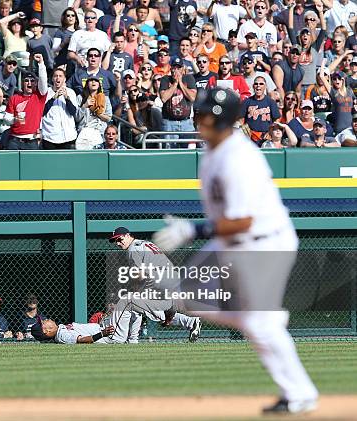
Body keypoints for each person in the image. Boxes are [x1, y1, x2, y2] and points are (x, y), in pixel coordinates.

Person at [154, 87, 319, 415]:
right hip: (232, 242)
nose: (198, 119)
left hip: (264, 242)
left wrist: (194, 229)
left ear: (222, 121)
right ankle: (264, 316)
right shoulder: (212, 152)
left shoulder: (238, 158)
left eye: (205, 115)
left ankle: (300, 393)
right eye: (198, 113)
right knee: (184, 296)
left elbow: (243, 221)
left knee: (259, 325)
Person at [108, 226, 202, 343]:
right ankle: (189, 322)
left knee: (134, 302)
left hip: (158, 278)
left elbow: (139, 275)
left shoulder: (132, 249)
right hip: (172, 276)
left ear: (128, 235)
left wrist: (136, 289)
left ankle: (132, 340)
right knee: (148, 306)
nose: (117, 243)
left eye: (119, 239)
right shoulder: (144, 243)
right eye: (115, 241)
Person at [4, 55, 48, 150]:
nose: (29, 83)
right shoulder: (14, 98)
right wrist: (15, 119)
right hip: (14, 140)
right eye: (26, 81)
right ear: (23, 83)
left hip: (31, 141)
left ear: (36, 83)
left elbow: (43, 81)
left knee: (32, 165)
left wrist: (41, 63)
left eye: (32, 81)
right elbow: (6, 119)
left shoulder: (39, 97)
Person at [159, 57, 197, 148]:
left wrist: (180, 82)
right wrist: (175, 83)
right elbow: (164, 98)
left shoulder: (189, 78)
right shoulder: (165, 79)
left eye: (178, 68)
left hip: (186, 122)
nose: (176, 70)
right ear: (170, 68)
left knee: (189, 151)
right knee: (169, 152)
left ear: (182, 69)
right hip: (169, 122)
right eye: (174, 68)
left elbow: (192, 97)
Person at [41, 67, 78, 149]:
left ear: (64, 79)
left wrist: (66, 98)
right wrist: (54, 98)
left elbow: (73, 112)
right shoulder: (46, 93)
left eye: (60, 76)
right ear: (52, 79)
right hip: (50, 137)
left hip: (68, 137)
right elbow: (42, 111)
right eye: (55, 76)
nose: (58, 78)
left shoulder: (71, 92)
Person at [240, 76, 281, 144]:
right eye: (256, 84)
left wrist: (271, 132)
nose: (258, 86)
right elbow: (240, 118)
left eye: (261, 84)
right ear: (253, 86)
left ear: (265, 86)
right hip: (250, 138)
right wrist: (242, 127)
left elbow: (277, 119)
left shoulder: (271, 102)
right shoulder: (247, 101)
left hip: (266, 137)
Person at [320, 70, 356, 135]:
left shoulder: (349, 91)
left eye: (339, 78)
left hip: (351, 128)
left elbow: (355, 101)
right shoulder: (333, 92)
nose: (337, 80)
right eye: (334, 79)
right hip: (339, 129)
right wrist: (324, 60)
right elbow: (321, 76)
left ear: (343, 80)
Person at [30, 318, 114, 343]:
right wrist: (102, 334)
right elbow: (82, 340)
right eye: (44, 322)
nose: (47, 319)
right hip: (110, 334)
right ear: (46, 331)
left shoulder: (60, 330)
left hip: (105, 327)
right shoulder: (62, 336)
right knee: (125, 300)